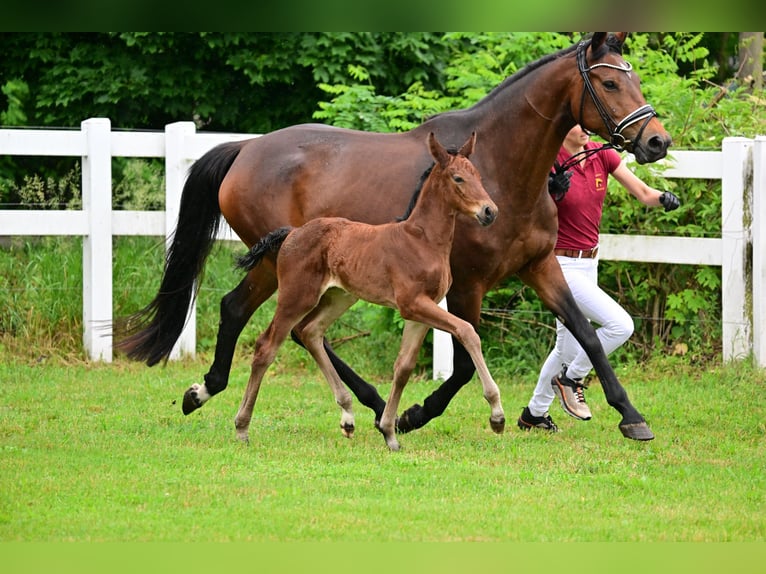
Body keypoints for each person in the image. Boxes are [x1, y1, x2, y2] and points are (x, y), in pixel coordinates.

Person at [518, 124, 680, 432]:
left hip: (590, 263)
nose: (586, 130)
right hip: (558, 265)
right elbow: (527, 212)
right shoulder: (548, 160)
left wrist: (664, 199)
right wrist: (550, 194)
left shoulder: (601, 154)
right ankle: (570, 378)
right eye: (579, 125)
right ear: (563, 126)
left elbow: (644, 193)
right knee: (620, 325)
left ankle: (534, 414)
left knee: (565, 348)